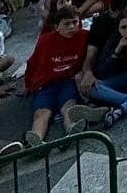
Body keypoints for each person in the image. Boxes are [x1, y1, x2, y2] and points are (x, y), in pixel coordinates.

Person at [22, 7, 93, 145]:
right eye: (67, 24)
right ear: (57, 27)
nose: (72, 27)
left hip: (68, 81)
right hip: (46, 83)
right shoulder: (45, 41)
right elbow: (33, 62)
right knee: (42, 113)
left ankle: (72, 130)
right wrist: (28, 83)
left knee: (69, 106)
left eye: (75, 22)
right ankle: (35, 141)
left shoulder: (85, 36)